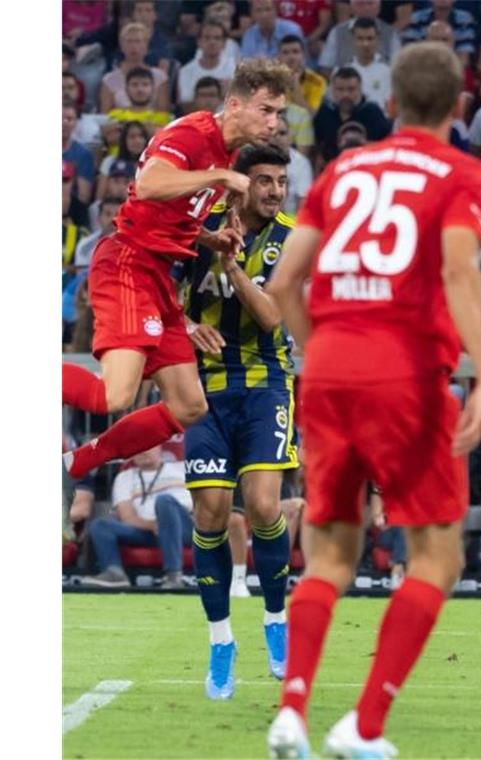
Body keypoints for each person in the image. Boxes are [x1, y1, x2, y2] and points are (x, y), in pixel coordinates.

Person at [264, 41, 481, 758]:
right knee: (435, 558)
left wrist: (326, 346)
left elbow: (281, 286)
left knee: (329, 553)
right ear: (458, 108)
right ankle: (362, 726)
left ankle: (292, 712)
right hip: (405, 375)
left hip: (329, 367)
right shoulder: (463, 174)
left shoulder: (339, 169)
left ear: (389, 103)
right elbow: (459, 269)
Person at [62, 60, 293, 483]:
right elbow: (150, 184)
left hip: (158, 274)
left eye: (279, 113)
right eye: (265, 110)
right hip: (128, 263)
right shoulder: (193, 135)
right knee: (113, 394)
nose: (273, 122)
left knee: (189, 405)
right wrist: (223, 175)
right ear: (236, 104)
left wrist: (209, 238)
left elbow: (170, 212)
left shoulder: (228, 151)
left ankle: (70, 467)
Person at [177, 144, 298, 701]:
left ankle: (276, 620)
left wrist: (231, 267)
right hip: (203, 389)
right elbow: (158, 293)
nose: (275, 190)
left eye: (281, 180)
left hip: (266, 385)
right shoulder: (193, 230)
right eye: (265, 181)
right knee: (212, 512)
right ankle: (220, 639)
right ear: (240, 185)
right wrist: (180, 327)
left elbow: (273, 316)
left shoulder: (291, 239)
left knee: (267, 506)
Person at [78, 445, 193, 589]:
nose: (142, 450)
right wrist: (153, 526)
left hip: (184, 528)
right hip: (147, 531)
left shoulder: (182, 469)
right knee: (100, 525)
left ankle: (174, 576)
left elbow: (204, 502)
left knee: (164, 501)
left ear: (160, 448)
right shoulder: (124, 477)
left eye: (148, 445)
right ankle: (115, 574)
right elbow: (128, 517)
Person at [312, 67, 392, 166]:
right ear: (332, 90)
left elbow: (387, 146)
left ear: (360, 89)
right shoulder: (325, 112)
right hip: (332, 170)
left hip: (365, 169)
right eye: (340, 89)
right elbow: (317, 148)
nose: (345, 94)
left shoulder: (372, 112)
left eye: (351, 89)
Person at [345, 17, 393, 109]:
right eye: (360, 39)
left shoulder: (388, 72)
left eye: (370, 38)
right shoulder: (344, 71)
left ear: (377, 40)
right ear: (353, 41)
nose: (365, 44)